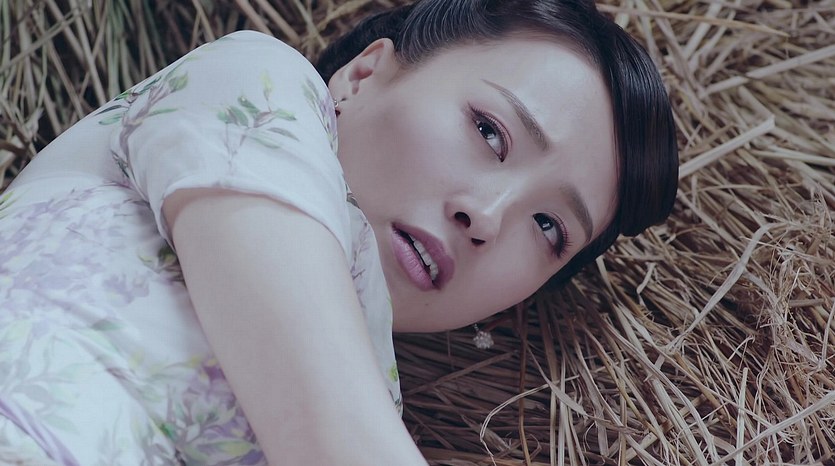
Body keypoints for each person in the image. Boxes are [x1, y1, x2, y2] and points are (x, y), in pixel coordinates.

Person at [0, 0, 678, 464]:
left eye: (548, 226)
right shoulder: (256, 83)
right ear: (362, 75)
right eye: (489, 130)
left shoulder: (380, 401)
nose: (487, 216)